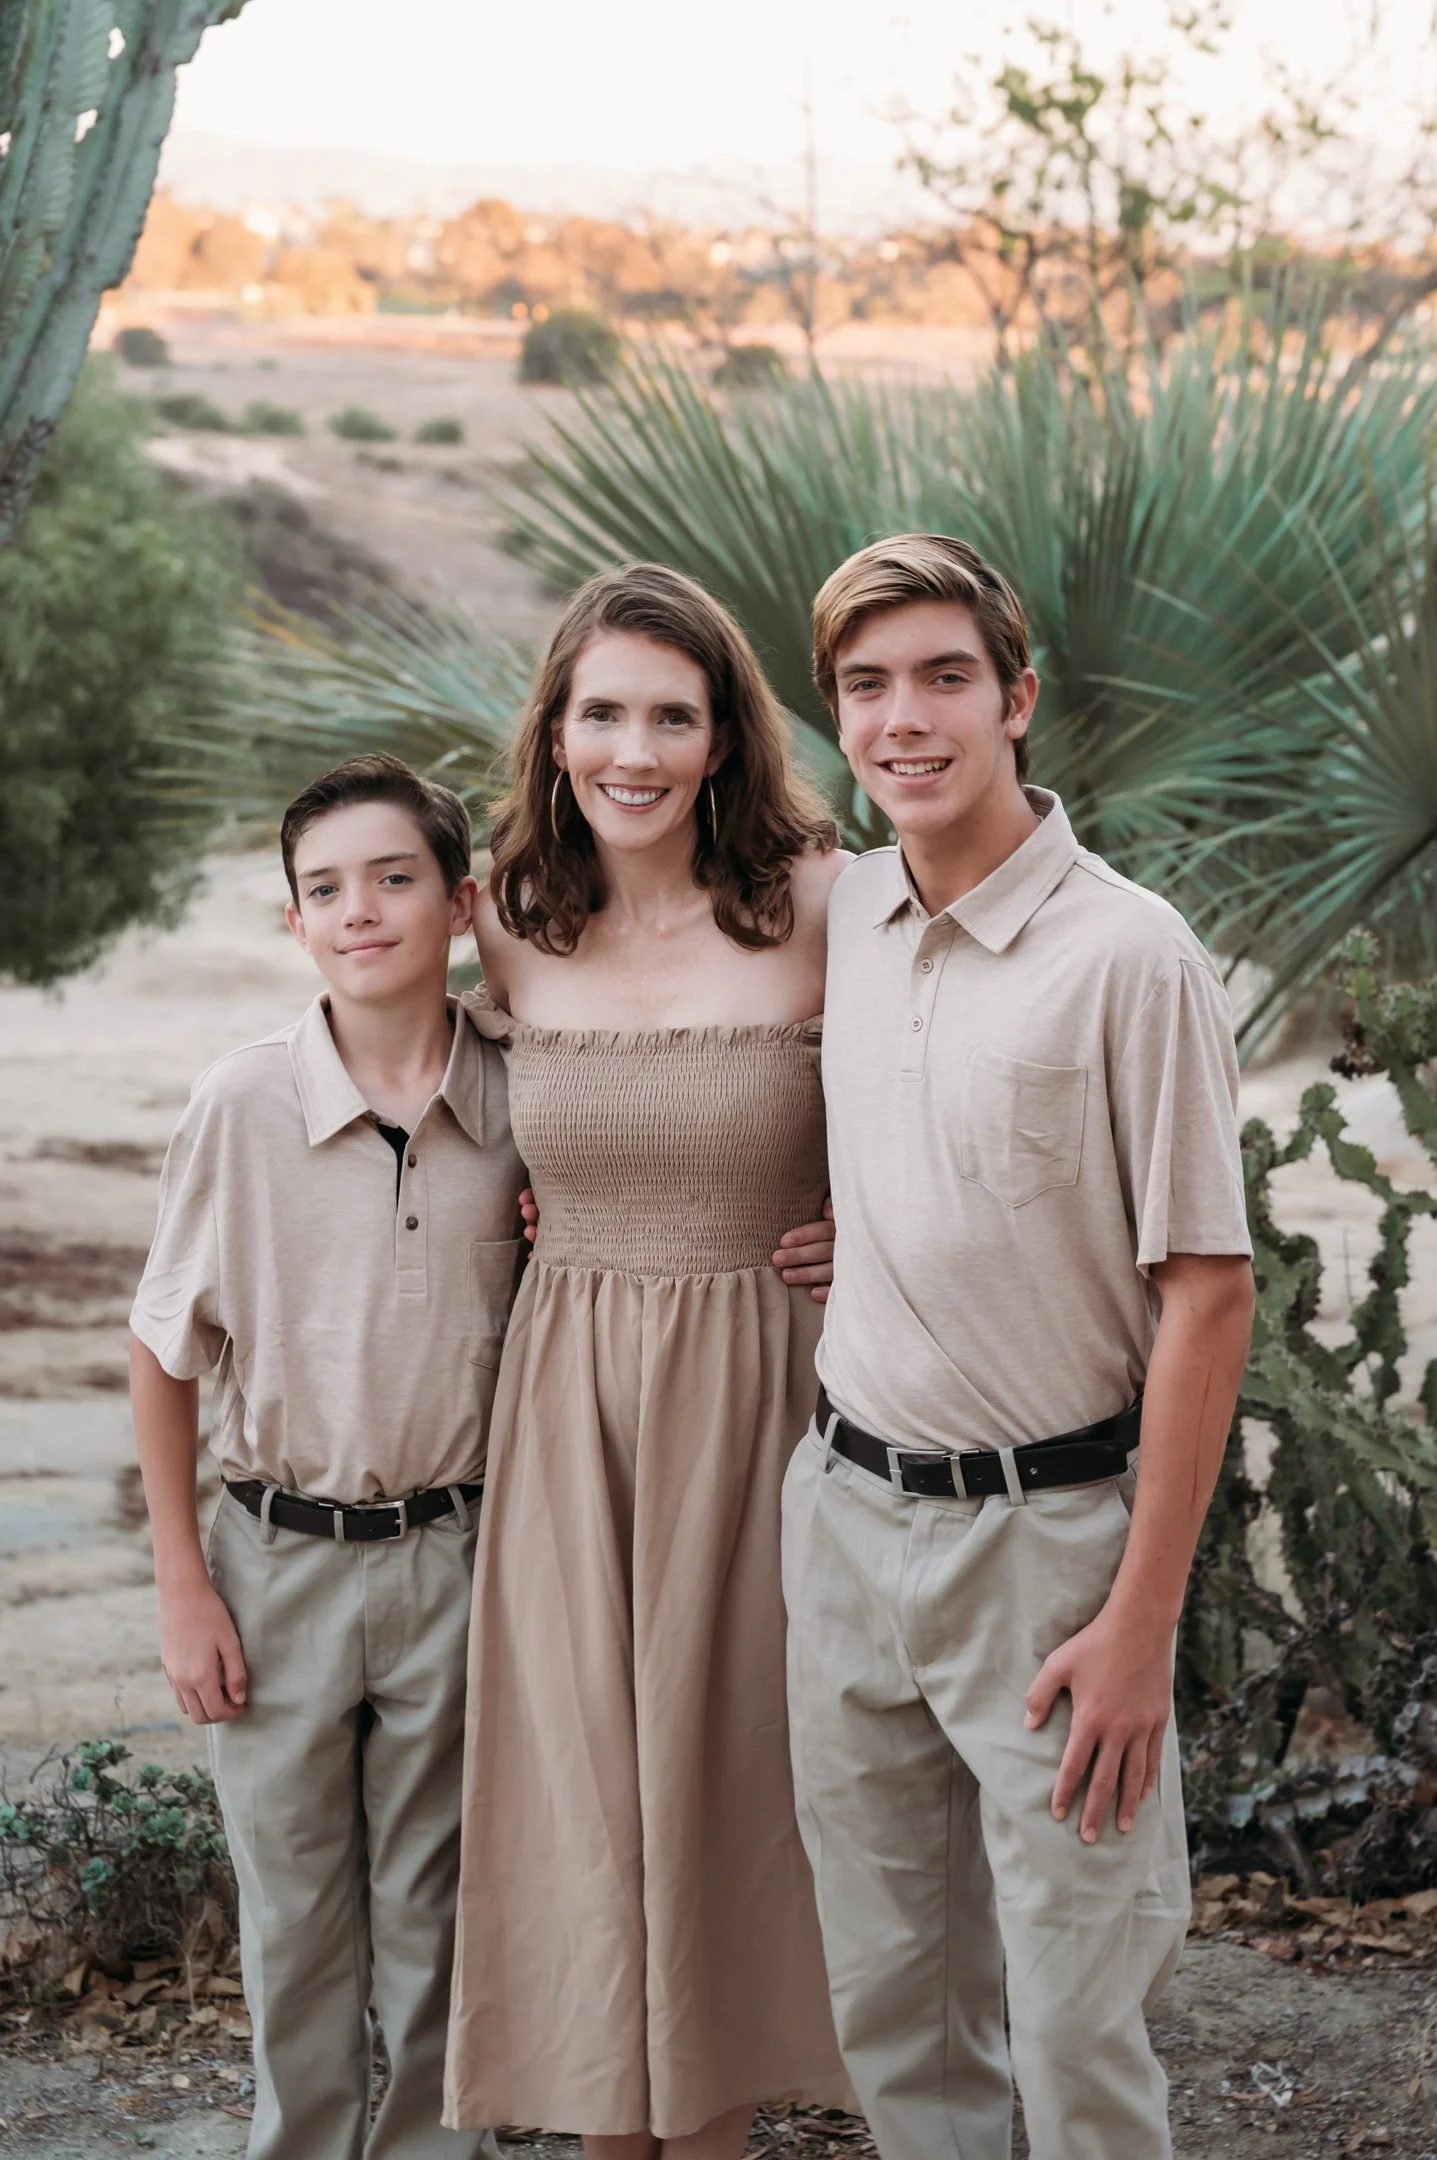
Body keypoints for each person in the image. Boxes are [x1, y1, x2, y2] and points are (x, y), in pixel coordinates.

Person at [781, 534, 1256, 2160]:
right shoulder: (849, 909)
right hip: (843, 1522)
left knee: (1074, 2023)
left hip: (1050, 1555)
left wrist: (1141, 1622)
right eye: (866, 686)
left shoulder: (1133, 955)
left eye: (943, 679)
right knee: (897, 2012)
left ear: (1018, 699)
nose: (903, 719)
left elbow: (1209, 1295)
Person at [443, 563, 854, 2160]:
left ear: (722, 741)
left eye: (670, 716)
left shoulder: (825, 904)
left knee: (728, 1797)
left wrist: (866, 1224)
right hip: (567, 1414)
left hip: (761, 1404)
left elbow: (947, 1086)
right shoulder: (504, 919)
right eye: (600, 711)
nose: (633, 747)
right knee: (588, 1808)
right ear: (553, 734)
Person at [129, 754, 525, 2160]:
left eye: (394, 878)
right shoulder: (240, 1105)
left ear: (463, 902)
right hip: (275, 1564)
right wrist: (185, 1584)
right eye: (325, 889)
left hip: (456, 1565)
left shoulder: (522, 1097)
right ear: (294, 921)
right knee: (294, 1918)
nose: (360, 910)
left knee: (437, 1911)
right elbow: (165, 1348)